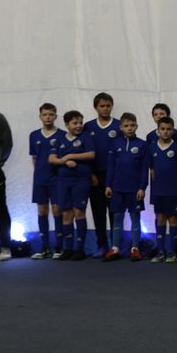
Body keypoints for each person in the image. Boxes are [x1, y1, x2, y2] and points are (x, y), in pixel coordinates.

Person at [46, 109, 92, 260]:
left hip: (80, 180)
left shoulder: (86, 137)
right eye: (74, 123)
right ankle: (68, 248)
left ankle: (80, 249)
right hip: (63, 181)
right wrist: (64, 161)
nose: (78, 126)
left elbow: (91, 154)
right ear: (67, 124)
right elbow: (51, 158)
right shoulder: (59, 139)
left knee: (79, 211)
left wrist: (71, 156)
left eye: (80, 122)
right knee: (66, 213)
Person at [103, 113, 147, 262]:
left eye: (132, 125)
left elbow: (144, 169)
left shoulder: (142, 145)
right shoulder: (115, 144)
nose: (129, 128)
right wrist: (108, 185)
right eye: (126, 126)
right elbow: (110, 166)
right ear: (121, 127)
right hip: (117, 188)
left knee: (135, 217)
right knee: (117, 217)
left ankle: (135, 249)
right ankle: (115, 248)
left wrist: (142, 187)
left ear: (136, 126)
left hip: (134, 189)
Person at [82, 92, 119, 258]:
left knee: (114, 211)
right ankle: (101, 244)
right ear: (95, 107)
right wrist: (90, 174)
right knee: (98, 212)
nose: (105, 109)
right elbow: (83, 151)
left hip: (114, 176)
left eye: (108, 105)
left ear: (112, 106)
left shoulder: (118, 125)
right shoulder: (88, 127)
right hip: (95, 176)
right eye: (102, 106)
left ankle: (116, 245)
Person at [148, 117, 177, 263]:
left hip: (173, 190)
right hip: (158, 190)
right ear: (158, 130)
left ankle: (172, 251)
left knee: (173, 218)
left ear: (173, 130)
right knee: (160, 218)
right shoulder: (152, 148)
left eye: (168, 129)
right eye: (162, 129)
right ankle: (160, 251)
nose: (165, 132)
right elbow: (152, 170)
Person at [28, 102, 62, 258]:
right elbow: (35, 158)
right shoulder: (34, 135)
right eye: (45, 115)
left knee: (57, 210)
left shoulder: (62, 135)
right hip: (40, 179)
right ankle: (45, 248)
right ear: (40, 116)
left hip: (56, 179)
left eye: (51, 114)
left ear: (55, 116)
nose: (48, 117)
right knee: (42, 211)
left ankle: (59, 247)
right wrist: (39, 173)